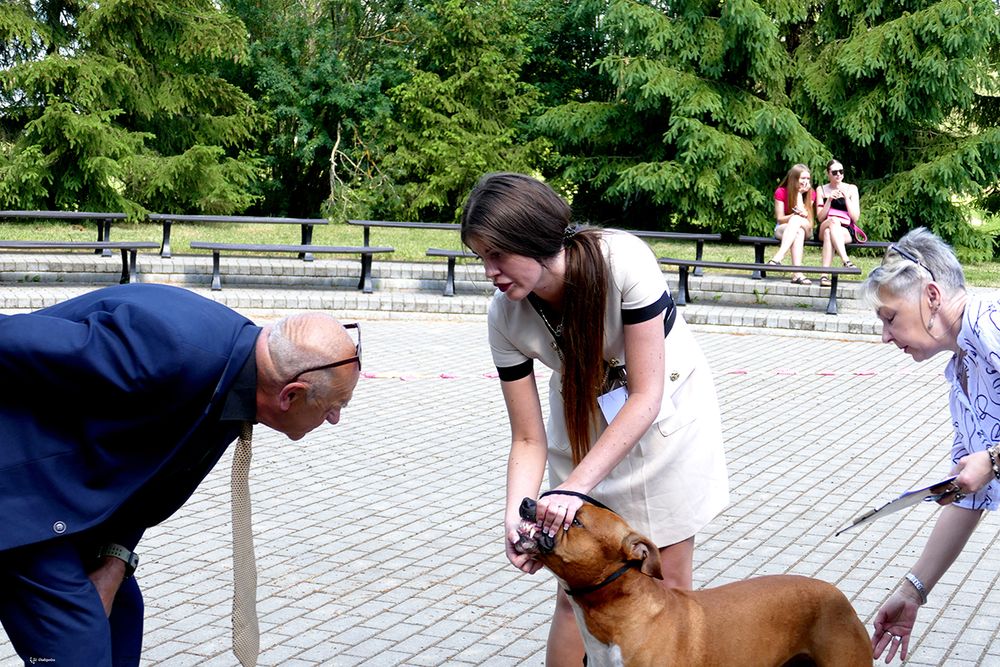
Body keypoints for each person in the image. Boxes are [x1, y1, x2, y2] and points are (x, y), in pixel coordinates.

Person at [0, 283, 361, 667]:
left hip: (70, 499)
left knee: (120, 618)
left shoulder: (240, 377)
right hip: (20, 498)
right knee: (80, 643)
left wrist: (114, 563)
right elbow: (10, 337)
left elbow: (148, 486)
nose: (335, 418)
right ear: (290, 394)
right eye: (336, 405)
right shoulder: (165, 349)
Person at [460, 172, 729, 667]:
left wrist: (572, 492)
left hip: (663, 425)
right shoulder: (504, 317)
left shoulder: (623, 261)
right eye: (481, 258)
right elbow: (527, 438)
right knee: (572, 597)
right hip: (582, 429)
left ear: (534, 239)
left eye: (497, 255)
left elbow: (645, 396)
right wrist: (515, 515)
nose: (489, 272)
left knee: (667, 583)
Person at [864, 229, 1000, 664]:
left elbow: (988, 466)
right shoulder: (961, 371)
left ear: (932, 296)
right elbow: (969, 494)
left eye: (890, 318)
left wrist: (993, 459)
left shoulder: (992, 324)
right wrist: (913, 590)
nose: (885, 336)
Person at [815, 159, 861, 287]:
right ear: (828, 174)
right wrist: (829, 200)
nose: (839, 175)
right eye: (835, 172)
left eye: (841, 171)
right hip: (825, 224)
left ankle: (824, 276)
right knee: (833, 221)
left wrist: (846, 198)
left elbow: (855, 217)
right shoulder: (821, 190)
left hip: (845, 229)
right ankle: (846, 260)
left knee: (829, 233)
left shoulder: (851, 188)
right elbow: (820, 218)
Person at [769, 163, 816, 284]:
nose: (806, 181)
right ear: (794, 178)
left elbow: (806, 217)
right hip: (784, 227)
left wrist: (799, 194)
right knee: (797, 231)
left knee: (797, 222)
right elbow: (780, 219)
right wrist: (794, 215)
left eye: (808, 179)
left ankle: (779, 256)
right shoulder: (781, 192)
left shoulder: (811, 193)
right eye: (803, 178)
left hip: (806, 227)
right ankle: (797, 274)